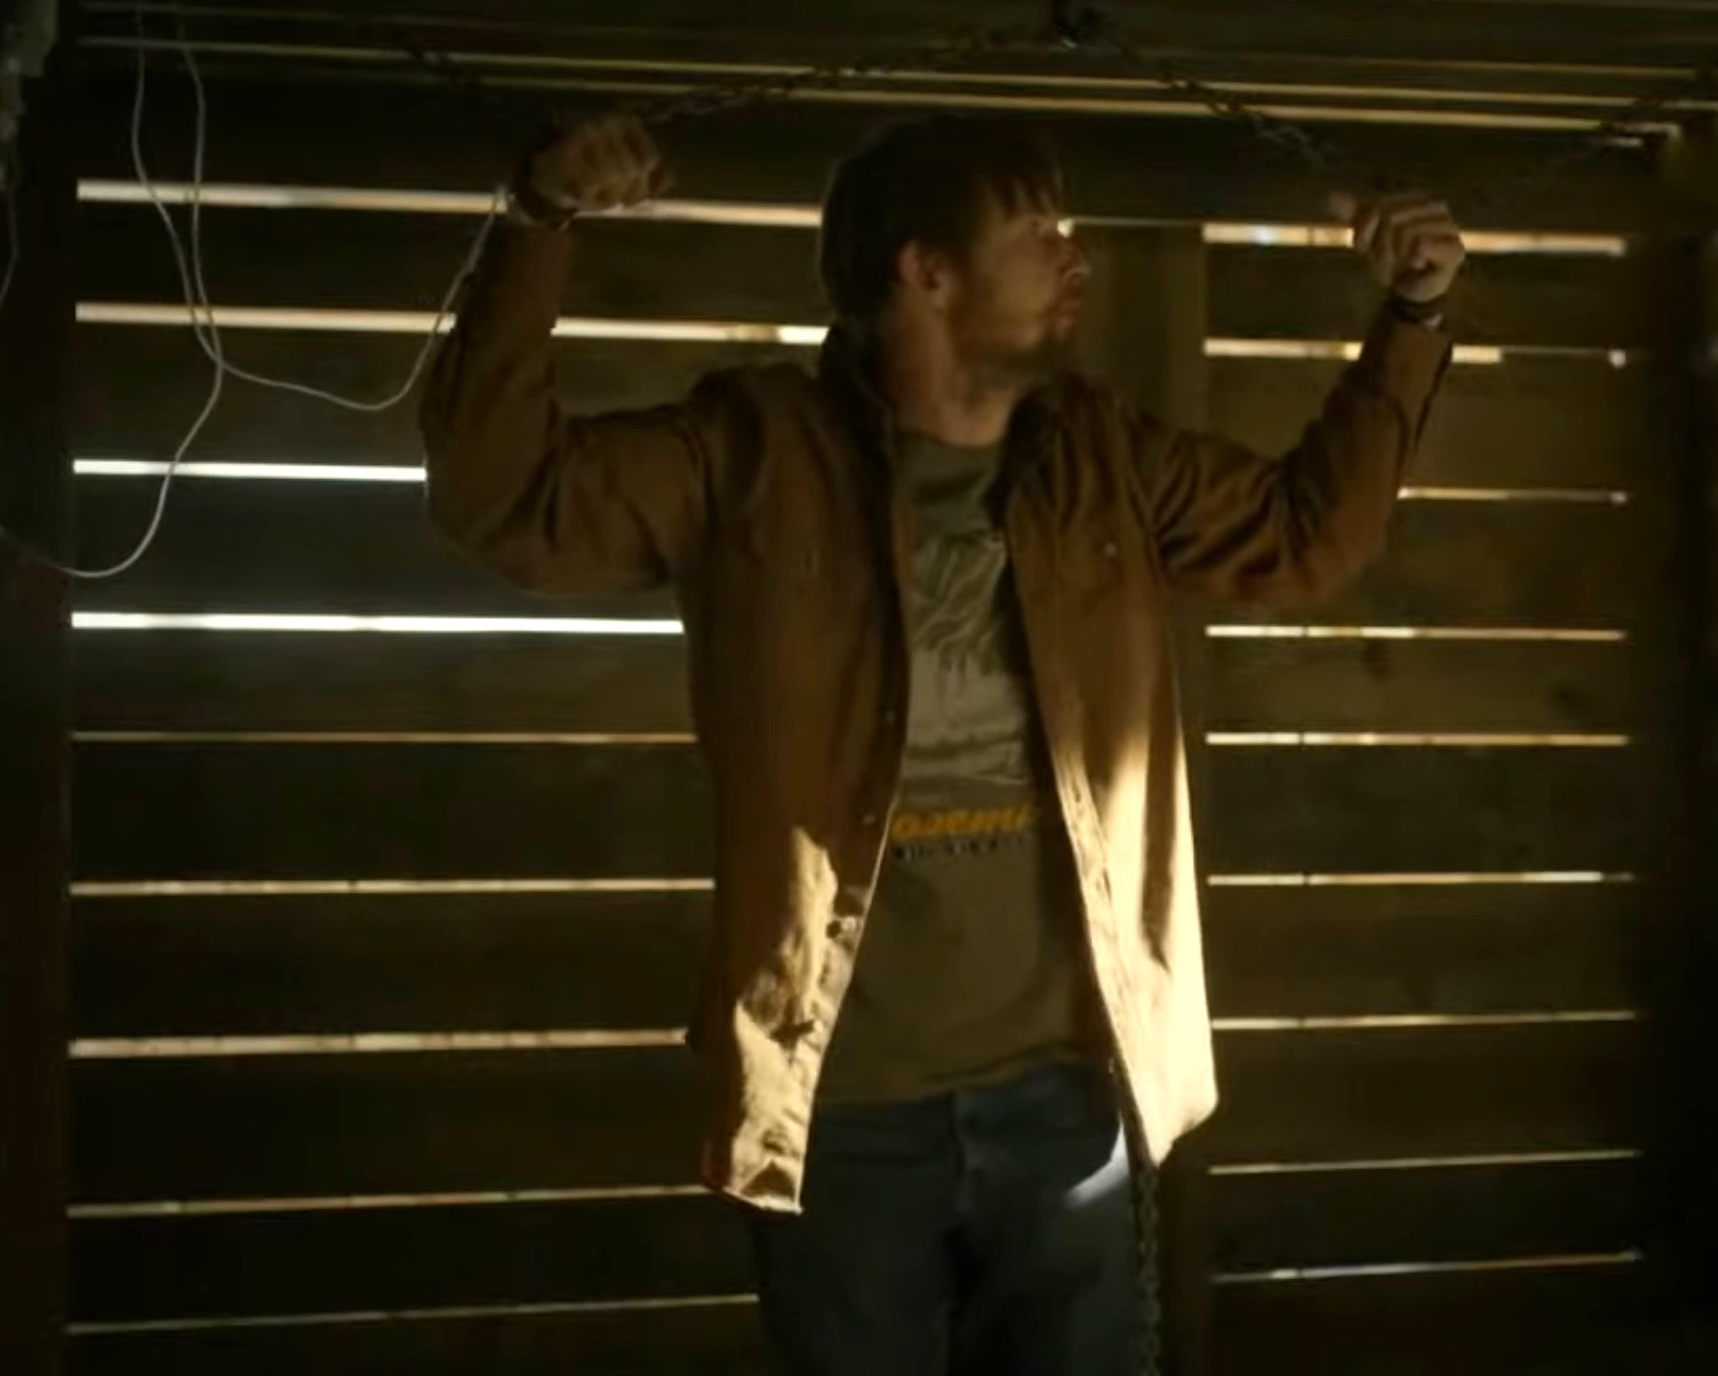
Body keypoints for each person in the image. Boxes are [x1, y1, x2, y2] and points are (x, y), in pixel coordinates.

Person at [420, 110, 1464, 1376]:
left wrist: (1412, 315)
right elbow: (508, 499)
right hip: (837, 1108)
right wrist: (536, 223)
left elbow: (1306, 536)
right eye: (1035, 230)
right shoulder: (750, 451)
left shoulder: (1101, 455)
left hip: (1069, 1095)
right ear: (925, 271)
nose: (1073, 256)